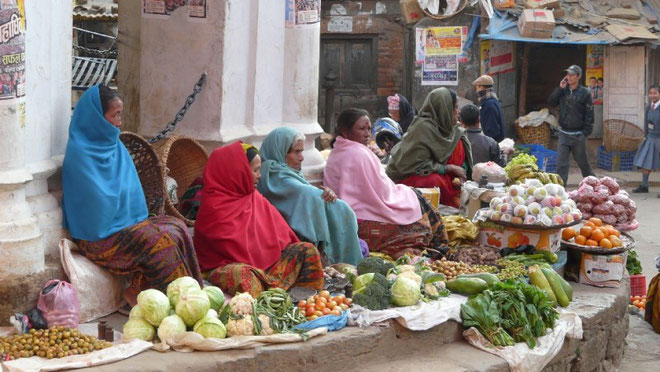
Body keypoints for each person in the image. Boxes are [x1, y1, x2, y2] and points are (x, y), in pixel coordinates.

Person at [61, 84, 203, 307]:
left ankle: (168, 296)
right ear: (97, 117)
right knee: (158, 241)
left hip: (124, 225)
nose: (119, 122)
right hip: (98, 236)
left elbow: (131, 195)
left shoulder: (115, 146)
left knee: (177, 228)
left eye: (121, 114)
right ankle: (174, 307)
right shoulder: (80, 154)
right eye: (115, 115)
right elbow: (98, 209)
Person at [194, 141, 324, 297]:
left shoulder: (254, 198)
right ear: (236, 172)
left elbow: (283, 238)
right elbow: (228, 254)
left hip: (268, 267)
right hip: (234, 270)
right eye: (255, 170)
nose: (259, 175)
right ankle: (268, 302)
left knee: (307, 250)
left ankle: (305, 299)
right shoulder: (214, 207)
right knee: (243, 276)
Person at [324, 108, 449, 259]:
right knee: (418, 222)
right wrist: (403, 192)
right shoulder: (358, 153)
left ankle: (431, 248)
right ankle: (438, 249)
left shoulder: (337, 151)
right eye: (362, 129)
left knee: (415, 197)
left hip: (347, 217)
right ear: (345, 131)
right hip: (359, 220)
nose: (367, 133)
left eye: (369, 129)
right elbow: (381, 194)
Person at [257, 127, 363, 266]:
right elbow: (303, 193)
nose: (301, 157)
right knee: (340, 209)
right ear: (281, 152)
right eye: (296, 152)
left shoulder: (286, 171)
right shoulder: (273, 173)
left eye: (301, 151)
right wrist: (323, 195)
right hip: (280, 242)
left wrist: (326, 194)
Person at [386, 88, 473, 208]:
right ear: (445, 109)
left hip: (449, 180)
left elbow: (462, 163)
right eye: (455, 107)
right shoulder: (422, 128)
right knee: (433, 181)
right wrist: (449, 168)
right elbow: (415, 164)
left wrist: (461, 173)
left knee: (459, 142)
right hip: (411, 177)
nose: (458, 112)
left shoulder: (454, 131)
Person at [548, 65, 595, 185]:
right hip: (563, 133)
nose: (568, 77)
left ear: (578, 76)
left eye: (572, 75)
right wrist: (559, 89)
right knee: (561, 165)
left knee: (583, 164)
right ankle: (561, 190)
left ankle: (594, 186)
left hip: (578, 134)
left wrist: (585, 133)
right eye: (567, 74)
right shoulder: (563, 91)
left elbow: (589, 114)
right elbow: (551, 103)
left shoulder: (585, 93)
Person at [632, 85, 660, 194]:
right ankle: (644, 186)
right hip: (650, 137)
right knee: (645, 162)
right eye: (650, 93)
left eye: (655, 93)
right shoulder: (649, 107)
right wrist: (646, 135)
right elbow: (646, 123)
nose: (652, 95)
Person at [472, 74, 504, 143]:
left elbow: (492, 130)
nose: (476, 91)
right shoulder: (492, 101)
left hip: (492, 144)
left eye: (477, 88)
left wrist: (486, 145)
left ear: (481, 87)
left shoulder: (489, 105)